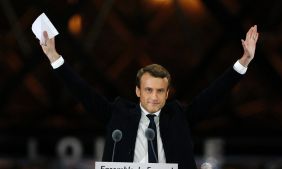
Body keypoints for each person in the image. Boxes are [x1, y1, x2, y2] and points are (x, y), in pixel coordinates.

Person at [40, 25, 259, 169]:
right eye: (148, 90)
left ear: (167, 93)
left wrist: (244, 61)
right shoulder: (118, 113)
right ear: (138, 91)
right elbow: (82, 92)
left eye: (159, 91)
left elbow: (214, 94)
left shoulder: (179, 116)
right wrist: (54, 56)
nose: (154, 97)